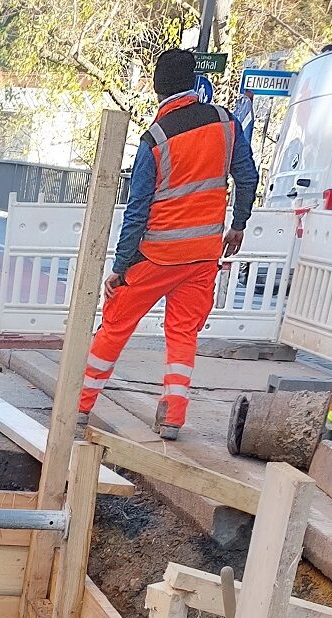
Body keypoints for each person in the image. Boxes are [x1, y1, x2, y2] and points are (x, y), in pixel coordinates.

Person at [77, 49, 257, 441]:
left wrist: (122, 266)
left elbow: (137, 210)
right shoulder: (226, 123)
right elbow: (248, 177)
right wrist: (237, 225)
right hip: (204, 256)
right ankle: (173, 417)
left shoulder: (155, 138)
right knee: (183, 333)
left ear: (158, 87)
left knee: (115, 327)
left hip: (156, 256)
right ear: (193, 83)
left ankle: (80, 406)